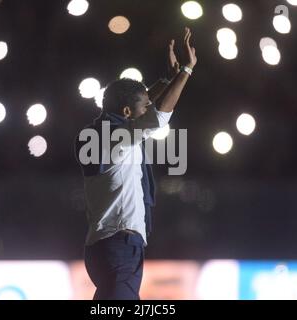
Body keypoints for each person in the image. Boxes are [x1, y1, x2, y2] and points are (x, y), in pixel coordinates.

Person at [75, 27, 197, 300]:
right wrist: (186, 71)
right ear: (128, 112)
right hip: (120, 244)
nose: (148, 107)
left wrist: (167, 78)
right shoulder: (119, 138)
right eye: (143, 106)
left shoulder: (104, 133)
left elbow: (143, 107)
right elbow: (157, 116)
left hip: (107, 246)